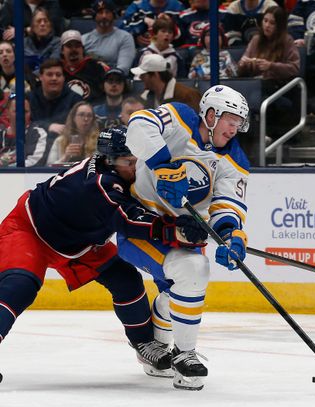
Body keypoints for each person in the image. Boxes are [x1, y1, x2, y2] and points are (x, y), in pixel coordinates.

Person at [0, 126, 208, 379]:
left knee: (126, 280)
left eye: (137, 160)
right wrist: (173, 230)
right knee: (20, 286)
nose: (135, 167)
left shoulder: (114, 172)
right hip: (29, 229)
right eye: (128, 162)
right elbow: (127, 220)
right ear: (109, 161)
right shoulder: (99, 184)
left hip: (79, 242)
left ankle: (144, 343)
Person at [120, 85, 251, 390]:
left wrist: (232, 235)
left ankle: (157, 348)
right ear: (210, 114)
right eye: (229, 119)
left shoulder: (234, 159)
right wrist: (163, 166)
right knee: (193, 272)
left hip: (182, 231)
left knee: (179, 289)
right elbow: (138, 124)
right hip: (141, 222)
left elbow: (227, 204)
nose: (234, 128)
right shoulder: (180, 119)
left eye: (238, 122)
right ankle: (185, 354)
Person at [29, 59, 83, 136]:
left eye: (58, 75)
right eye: (49, 74)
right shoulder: (30, 98)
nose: (54, 78)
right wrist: (48, 126)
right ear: (40, 77)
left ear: (63, 78)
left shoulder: (76, 101)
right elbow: (26, 124)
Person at [82, 0, 137, 75]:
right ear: (95, 16)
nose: (104, 16)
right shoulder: (84, 39)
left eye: (107, 12)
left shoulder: (125, 37)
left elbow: (123, 69)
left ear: (113, 15)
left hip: (114, 81)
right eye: (100, 13)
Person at [131, 54, 202, 111]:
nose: (140, 77)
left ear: (156, 74)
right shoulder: (146, 97)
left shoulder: (187, 95)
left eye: (143, 75)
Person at [0, 93, 49, 167]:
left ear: (30, 113)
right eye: (16, 111)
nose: (21, 115)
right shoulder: (1, 133)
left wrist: (6, 168)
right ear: (7, 113)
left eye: (25, 111)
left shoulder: (37, 134)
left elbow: (35, 163)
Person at [47, 102, 101, 166]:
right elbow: (49, 167)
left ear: (93, 119)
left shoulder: (100, 142)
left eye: (89, 115)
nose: (86, 119)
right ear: (73, 118)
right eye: (81, 115)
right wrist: (65, 157)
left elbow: (104, 166)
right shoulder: (60, 141)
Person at [60, 29, 107, 102]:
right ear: (62, 50)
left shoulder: (96, 67)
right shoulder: (57, 69)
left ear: (82, 48)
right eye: (69, 46)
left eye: (77, 46)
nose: (73, 49)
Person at [119, 0, 185, 49]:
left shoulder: (177, 6)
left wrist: (170, 23)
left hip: (170, 48)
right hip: (140, 48)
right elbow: (122, 27)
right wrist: (142, 20)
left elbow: (184, 32)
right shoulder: (137, 5)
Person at [22, 7, 61, 73]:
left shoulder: (58, 43)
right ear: (32, 26)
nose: (42, 24)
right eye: (38, 21)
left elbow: (52, 66)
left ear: (50, 25)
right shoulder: (23, 43)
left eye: (45, 21)